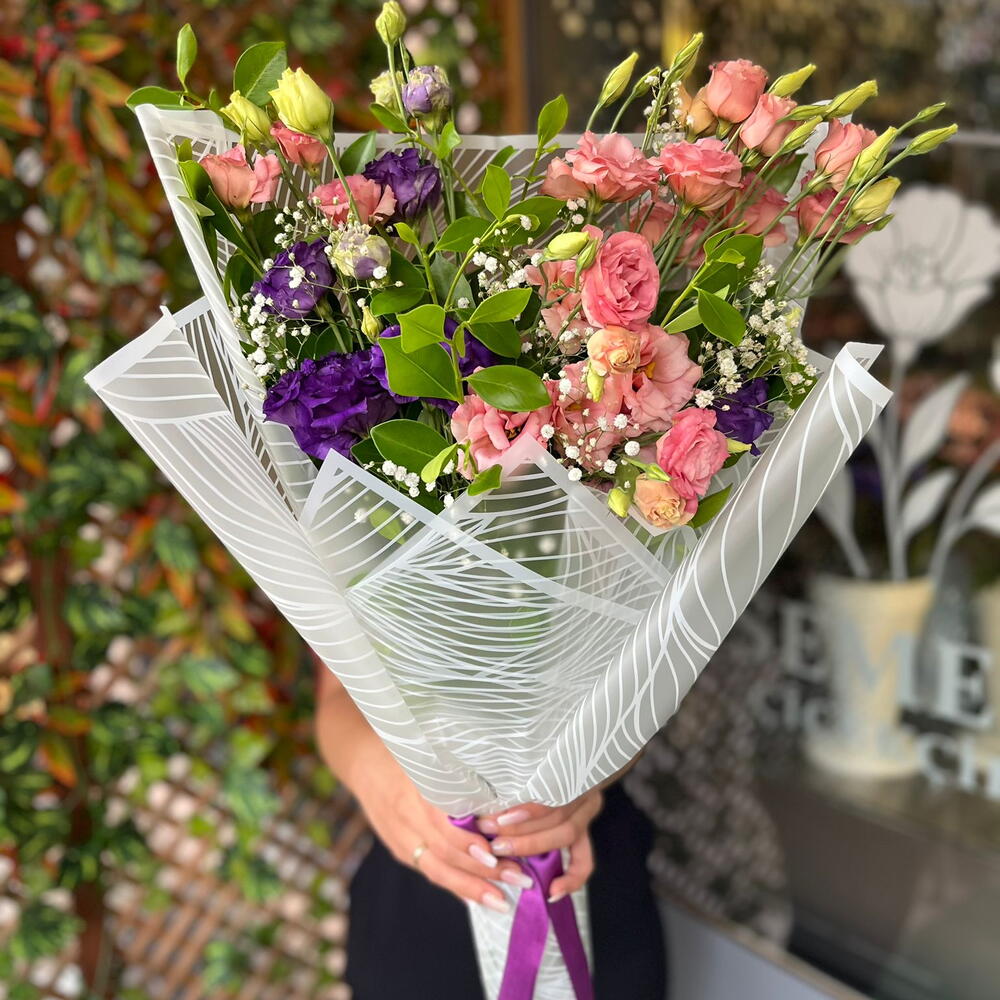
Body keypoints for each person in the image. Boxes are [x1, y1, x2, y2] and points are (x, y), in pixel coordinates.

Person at [315, 664, 667, 999]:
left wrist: (594, 765)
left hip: (594, 881)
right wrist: (386, 782)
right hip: (421, 894)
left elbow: (650, 676)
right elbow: (337, 696)